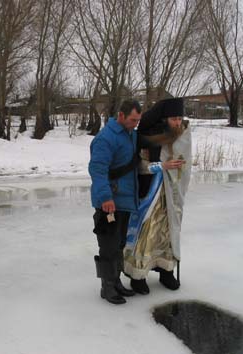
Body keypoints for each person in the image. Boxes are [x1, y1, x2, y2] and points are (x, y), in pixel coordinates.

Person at [124, 97, 192, 295]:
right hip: (152, 194)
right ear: (164, 119)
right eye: (173, 119)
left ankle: (166, 270)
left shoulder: (183, 135)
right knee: (148, 234)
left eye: (180, 118)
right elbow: (140, 166)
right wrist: (162, 166)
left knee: (170, 233)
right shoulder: (149, 136)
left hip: (172, 193)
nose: (177, 123)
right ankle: (138, 275)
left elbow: (185, 162)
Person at [88, 99, 142, 305]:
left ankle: (116, 282)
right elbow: (97, 169)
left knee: (119, 244)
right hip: (109, 203)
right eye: (132, 120)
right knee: (108, 246)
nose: (135, 123)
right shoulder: (106, 138)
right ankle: (107, 287)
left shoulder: (131, 134)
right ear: (121, 116)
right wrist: (105, 198)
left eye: (138, 120)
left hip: (125, 201)